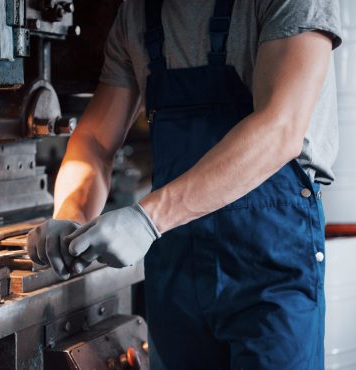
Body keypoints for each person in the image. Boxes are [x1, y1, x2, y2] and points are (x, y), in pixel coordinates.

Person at [26, 0, 342, 368]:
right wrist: (72, 216)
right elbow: (96, 142)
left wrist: (147, 219)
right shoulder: (136, 13)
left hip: (269, 263)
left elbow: (280, 129)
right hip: (178, 265)